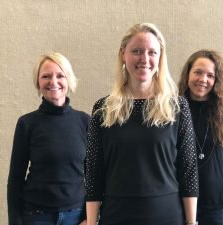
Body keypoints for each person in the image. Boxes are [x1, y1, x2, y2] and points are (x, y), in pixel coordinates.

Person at [85, 23, 198, 225]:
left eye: (152, 52)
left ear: (160, 58)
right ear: (123, 54)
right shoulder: (103, 109)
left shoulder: (177, 107)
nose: (144, 59)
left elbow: (188, 172)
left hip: (166, 215)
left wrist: (191, 222)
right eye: (137, 51)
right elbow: (93, 175)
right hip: (117, 215)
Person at [7, 52, 90, 225]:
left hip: (77, 216)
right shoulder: (26, 124)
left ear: (69, 80)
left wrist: (92, 218)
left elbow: (95, 177)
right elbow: (15, 179)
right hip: (36, 216)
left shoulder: (85, 122)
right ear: (38, 82)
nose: (53, 82)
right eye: (46, 76)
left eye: (60, 76)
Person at [178, 49, 223, 225]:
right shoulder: (173, 110)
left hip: (220, 207)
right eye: (198, 72)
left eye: (210, 75)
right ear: (188, 74)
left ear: (216, 81)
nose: (203, 79)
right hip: (180, 203)